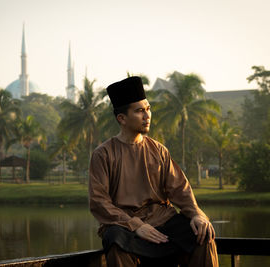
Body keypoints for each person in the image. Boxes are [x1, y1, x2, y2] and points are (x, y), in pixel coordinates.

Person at [88, 76, 219, 267]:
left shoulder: (158, 150)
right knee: (115, 240)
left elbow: (181, 190)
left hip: (164, 221)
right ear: (122, 118)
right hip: (126, 226)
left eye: (148, 109)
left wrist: (197, 214)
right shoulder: (103, 154)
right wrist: (136, 225)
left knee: (202, 234)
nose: (147, 115)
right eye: (140, 111)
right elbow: (99, 203)